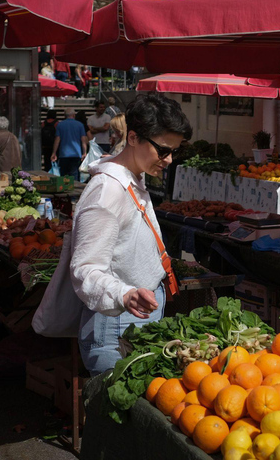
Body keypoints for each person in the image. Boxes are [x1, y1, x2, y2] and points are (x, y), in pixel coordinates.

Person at [72, 93, 192, 375]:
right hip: (116, 327)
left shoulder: (134, 176)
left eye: (175, 151)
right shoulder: (107, 191)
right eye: (163, 150)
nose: (169, 160)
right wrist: (124, 294)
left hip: (133, 320)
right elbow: (84, 270)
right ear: (134, 138)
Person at [51, 108, 88, 179]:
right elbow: (83, 140)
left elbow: (57, 140)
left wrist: (54, 153)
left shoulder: (60, 125)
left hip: (63, 154)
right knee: (74, 174)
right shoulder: (80, 125)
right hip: (76, 154)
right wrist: (84, 152)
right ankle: (74, 188)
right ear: (74, 115)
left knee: (63, 175)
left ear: (64, 116)